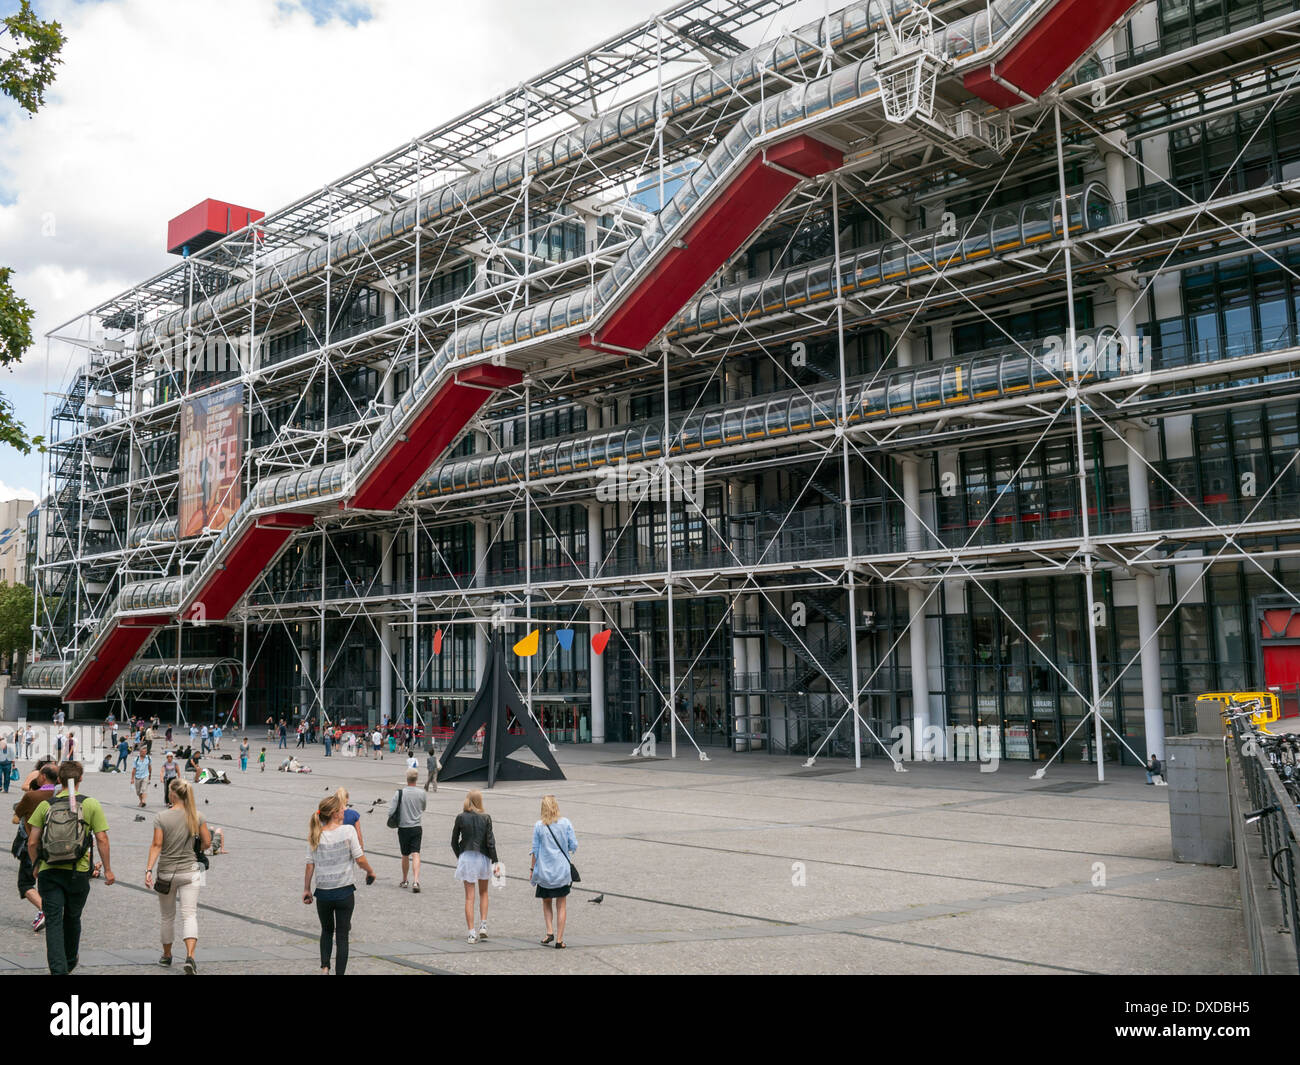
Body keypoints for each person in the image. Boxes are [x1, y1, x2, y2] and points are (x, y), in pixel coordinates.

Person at [26, 761, 115, 975]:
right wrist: (109, 870)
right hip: (78, 871)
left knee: (54, 920)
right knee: (73, 917)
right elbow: (102, 838)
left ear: (59, 780)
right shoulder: (91, 804)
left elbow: (32, 842)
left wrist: (36, 864)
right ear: (81, 779)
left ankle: (58, 970)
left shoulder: (46, 805)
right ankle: (70, 959)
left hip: (50, 871)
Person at [304, 792, 376, 975]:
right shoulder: (348, 831)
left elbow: (310, 865)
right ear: (335, 813)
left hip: (323, 893)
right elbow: (359, 859)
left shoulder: (315, 834)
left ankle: (325, 968)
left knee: (326, 931)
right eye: (342, 808)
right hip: (344, 892)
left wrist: (306, 889)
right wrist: (370, 871)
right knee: (342, 937)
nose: (345, 810)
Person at [146, 778, 211, 974]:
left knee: (167, 916)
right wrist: (195, 846)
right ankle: (190, 956)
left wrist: (149, 869)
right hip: (191, 870)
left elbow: (157, 845)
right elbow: (207, 843)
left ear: (172, 794)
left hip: (166, 871)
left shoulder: (161, 817)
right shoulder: (197, 816)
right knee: (189, 914)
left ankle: (167, 956)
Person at [14, 762, 59, 932]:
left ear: (43, 776)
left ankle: (45, 909)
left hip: (33, 845)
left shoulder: (32, 797)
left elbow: (17, 815)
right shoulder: (61, 794)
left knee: (25, 884)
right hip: (56, 846)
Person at [451, 790, 500, 943]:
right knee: (484, 892)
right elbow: (490, 842)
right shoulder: (486, 818)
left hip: (467, 855)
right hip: (483, 856)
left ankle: (472, 933)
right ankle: (483, 925)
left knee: (469, 897)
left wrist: (460, 855)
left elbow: (453, 841)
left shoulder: (460, 817)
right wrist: (496, 861)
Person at [530, 794, 578, 948]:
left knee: (546, 902)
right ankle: (559, 939)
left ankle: (549, 932)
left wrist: (532, 870)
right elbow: (573, 845)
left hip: (545, 872)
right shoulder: (565, 823)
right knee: (561, 904)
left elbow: (535, 851)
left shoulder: (539, 826)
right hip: (562, 871)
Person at [388, 769, 427, 892]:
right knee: (416, 853)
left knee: (405, 854)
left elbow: (391, 812)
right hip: (416, 827)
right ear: (416, 779)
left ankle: (405, 880)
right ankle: (416, 881)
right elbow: (423, 808)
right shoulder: (422, 793)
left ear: (407, 778)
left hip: (403, 828)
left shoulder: (399, 793)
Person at [337, 788, 364, 852]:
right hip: (349, 848)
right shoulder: (354, 814)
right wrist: (361, 850)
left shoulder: (332, 814)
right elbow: (359, 835)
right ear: (347, 798)